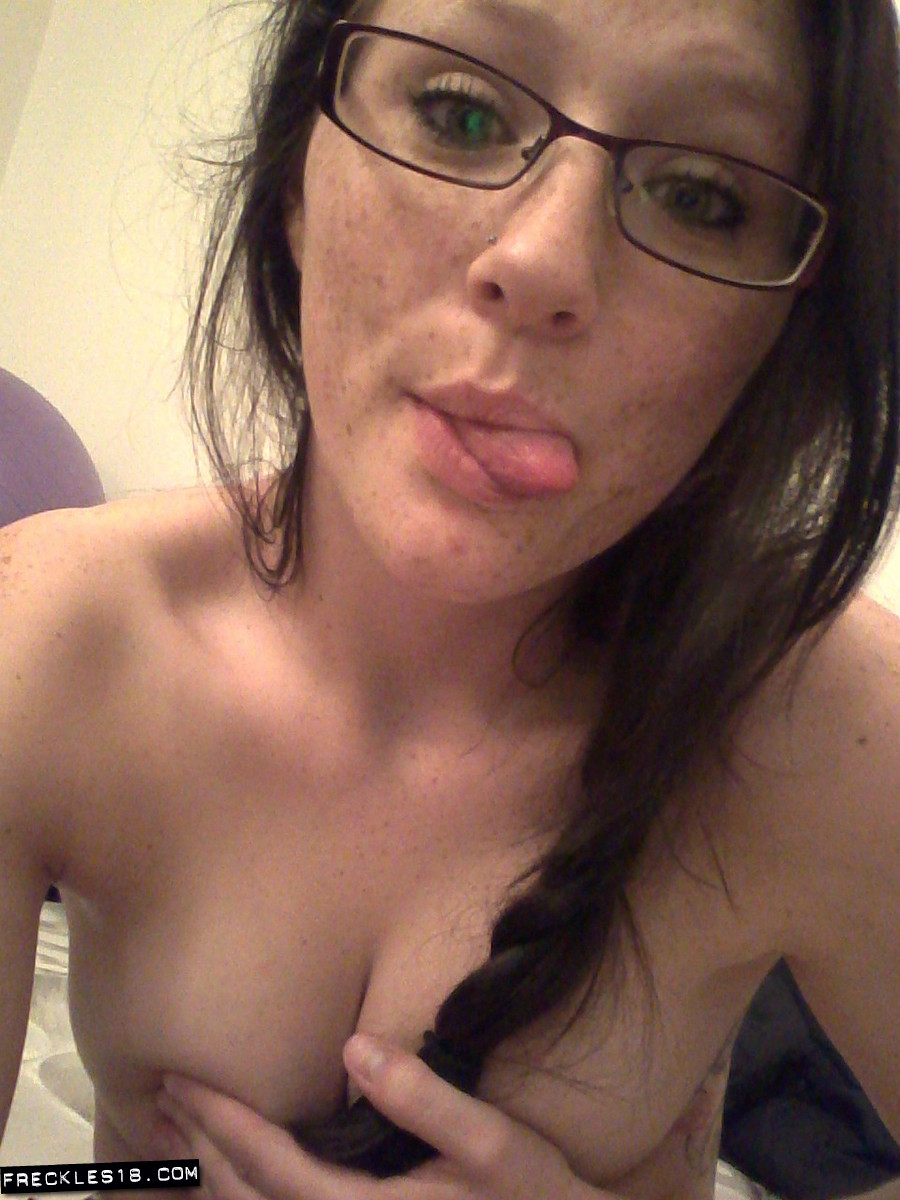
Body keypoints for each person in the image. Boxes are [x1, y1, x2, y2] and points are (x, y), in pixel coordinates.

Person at [2, 1, 900, 1199]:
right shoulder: (52, 633)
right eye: (460, 113)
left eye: (699, 195)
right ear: (297, 178)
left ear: (783, 325)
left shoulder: (832, 731)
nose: (542, 264)